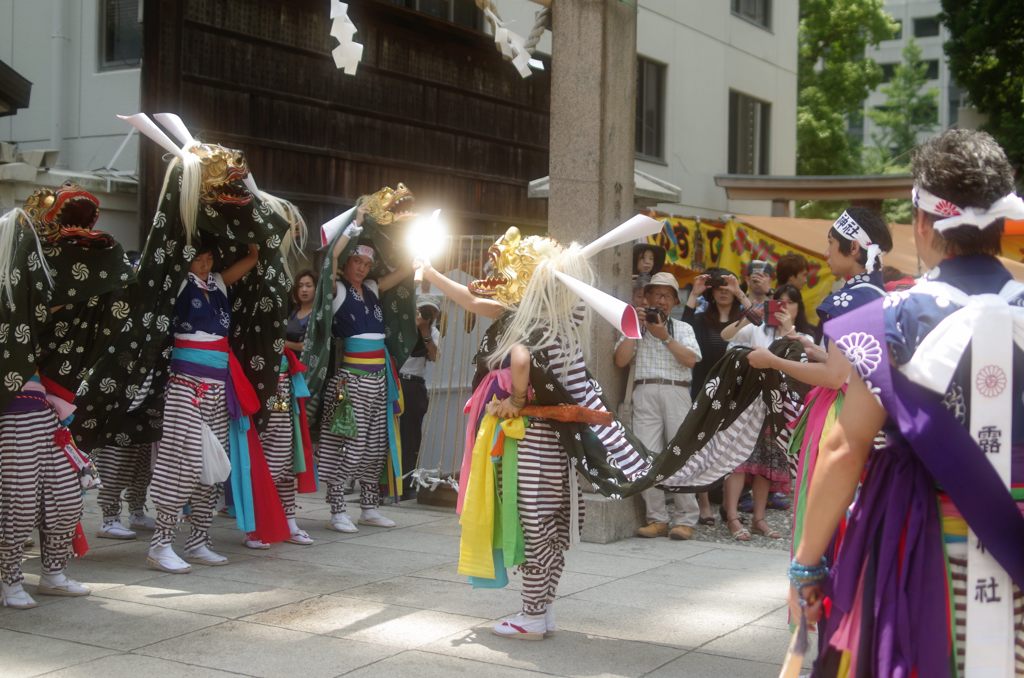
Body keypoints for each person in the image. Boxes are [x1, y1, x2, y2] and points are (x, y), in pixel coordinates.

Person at [789, 129, 1024, 676]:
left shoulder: (894, 318)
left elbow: (845, 447)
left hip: (923, 543)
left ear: (921, 222)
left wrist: (806, 566)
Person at [146, 241, 261, 573]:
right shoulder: (180, 283)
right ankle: (160, 544)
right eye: (198, 259)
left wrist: (252, 255)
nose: (205, 264)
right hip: (186, 384)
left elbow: (234, 272)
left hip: (218, 383)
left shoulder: (218, 285)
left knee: (213, 462)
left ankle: (198, 540)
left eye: (210, 258)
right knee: (180, 460)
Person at [317, 213, 411, 533]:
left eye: (366, 264)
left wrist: (411, 242)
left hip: (378, 379)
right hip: (351, 381)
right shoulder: (337, 289)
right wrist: (353, 228)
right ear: (347, 262)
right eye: (356, 261)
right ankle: (337, 508)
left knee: (375, 445)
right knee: (349, 446)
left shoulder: (371, 288)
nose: (361, 268)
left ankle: (369, 507)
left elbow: (405, 271)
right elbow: (328, 263)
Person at [719, 285, 814, 541]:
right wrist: (747, 314)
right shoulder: (756, 328)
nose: (783, 307)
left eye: (790, 303)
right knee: (738, 461)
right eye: (778, 302)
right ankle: (732, 517)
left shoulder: (803, 337)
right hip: (748, 402)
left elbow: (806, 361)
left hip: (778, 407)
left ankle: (759, 518)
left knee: (766, 463)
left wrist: (789, 331)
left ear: (798, 307)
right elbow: (726, 336)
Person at [614, 272, 702, 540]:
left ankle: (686, 519)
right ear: (647, 297)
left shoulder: (683, 328)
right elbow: (620, 360)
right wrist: (635, 329)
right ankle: (657, 518)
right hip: (645, 390)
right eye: (656, 295)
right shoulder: (634, 327)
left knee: (680, 455)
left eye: (667, 296)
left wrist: (664, 336)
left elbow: (691, 361)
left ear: (675, 301)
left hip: (677, 391)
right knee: (645, 455)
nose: (661, 301)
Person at [682, 267, 747, 524]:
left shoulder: (743, 320)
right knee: (701, 447)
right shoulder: (700, 319)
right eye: (717, 287)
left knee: (730, 447)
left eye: (726, 286)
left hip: (734, 391)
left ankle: (730, 507)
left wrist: (740, 292)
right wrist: (694, 293)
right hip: (703, 389)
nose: (722, 291)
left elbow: (760, 323)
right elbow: (682, 328)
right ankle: (704, 503)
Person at [397, 297, 441, 501]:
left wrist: (424, 333)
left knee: (411, 437)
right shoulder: (398, 327)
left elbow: (435, 357)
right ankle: (385, 483)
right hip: (396, 381)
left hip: (414, 385)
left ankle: (406, 485)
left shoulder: (432, 333)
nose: (423, 316)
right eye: (421, 311)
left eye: (428, 313)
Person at [285, 269, 317, 354]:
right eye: (300, 286)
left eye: (308, 285)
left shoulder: (318, 314)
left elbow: (308, 346)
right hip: (287, 363)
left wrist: (284, 344)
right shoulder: (292, 311)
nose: (304, 289)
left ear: (316, 289)